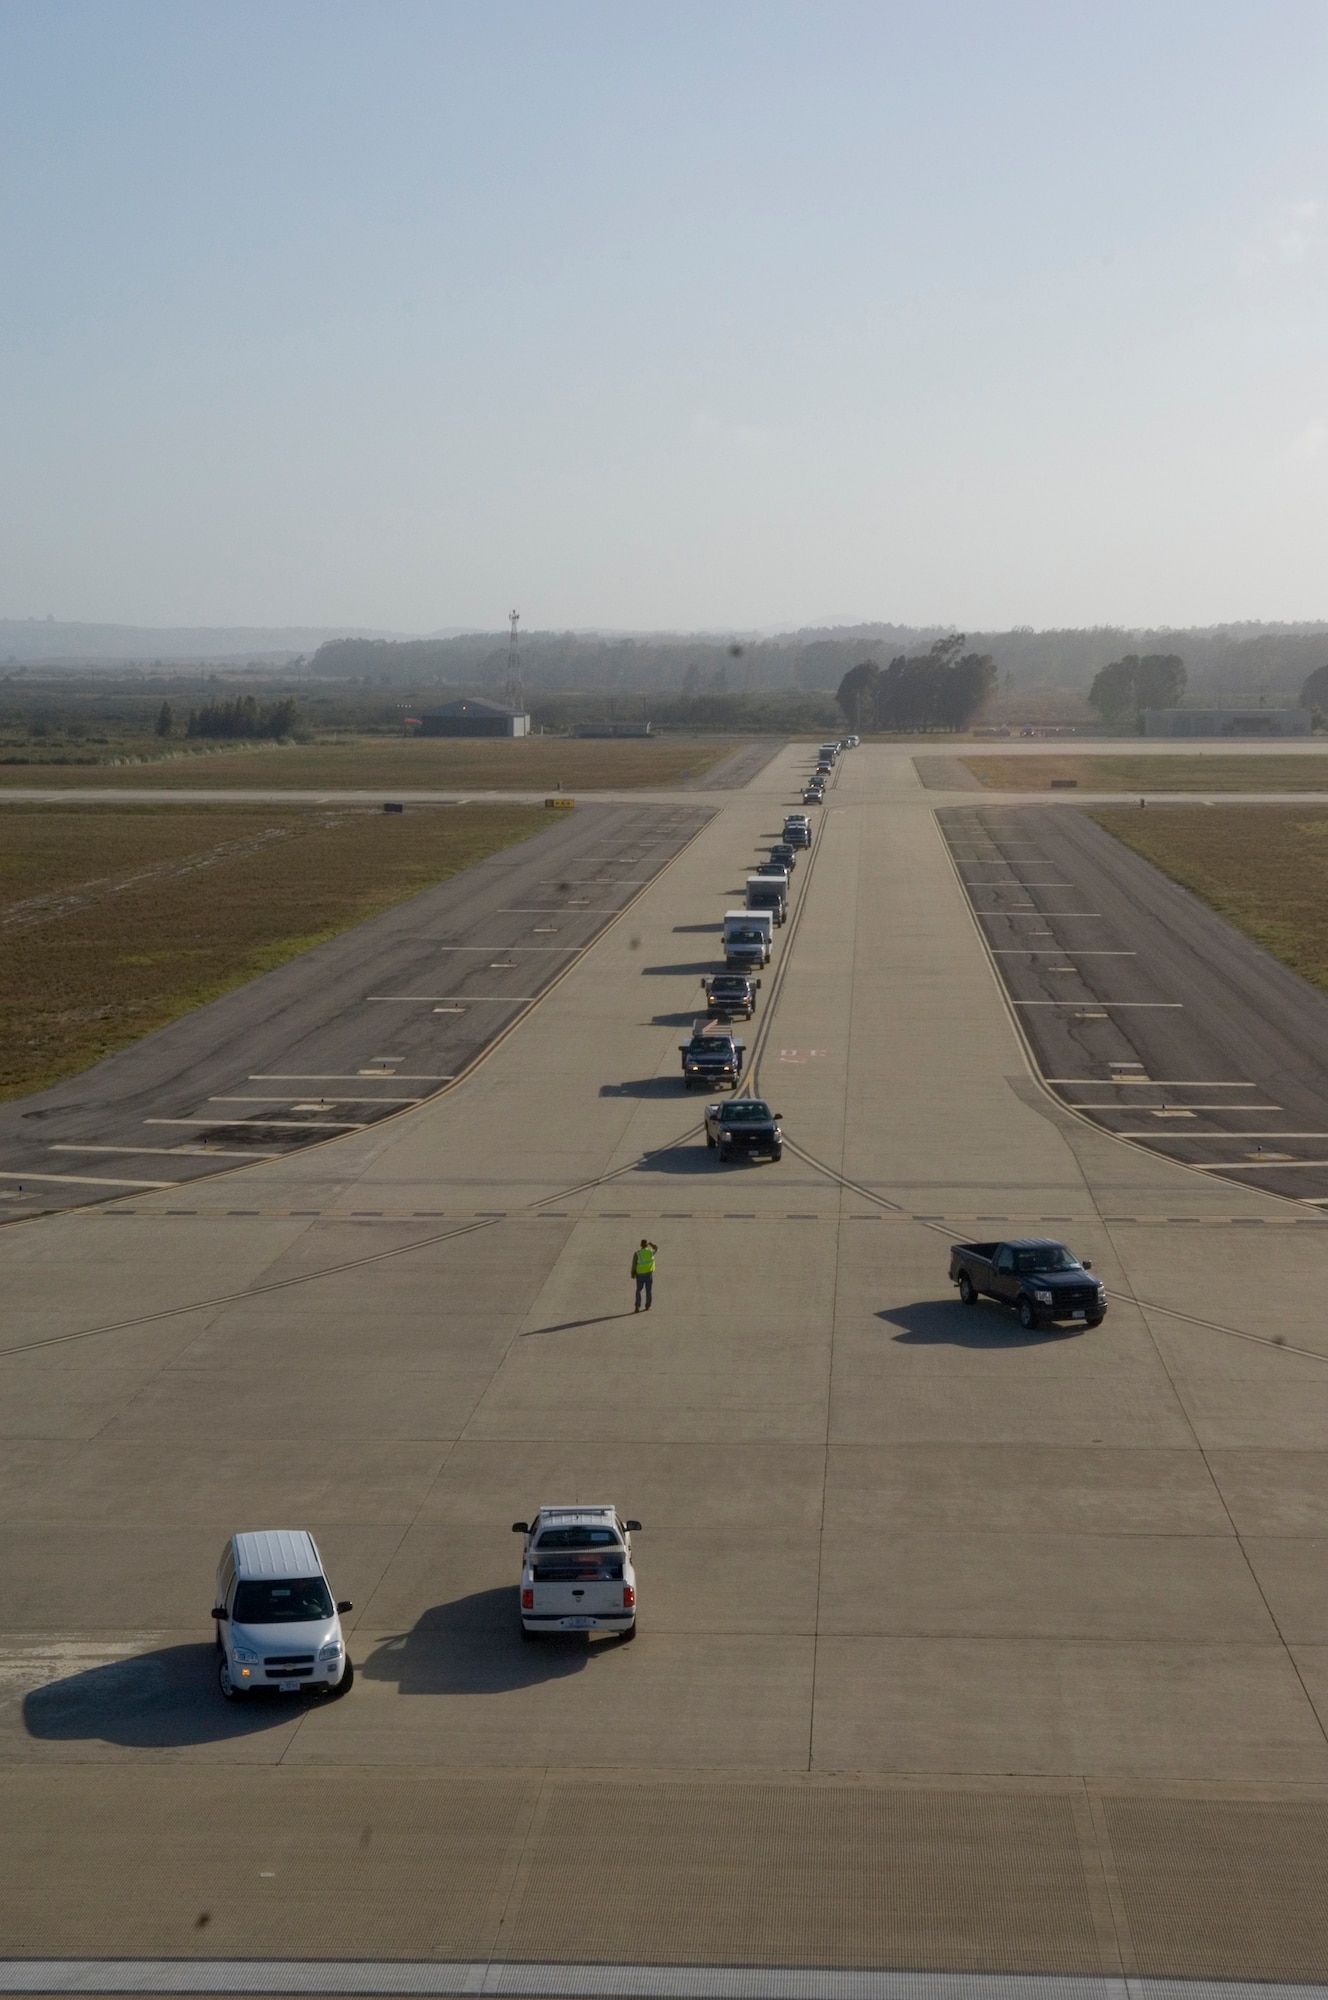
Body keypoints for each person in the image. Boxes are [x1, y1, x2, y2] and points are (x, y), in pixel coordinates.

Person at [631, 1238, 658, 1313]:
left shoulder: (637, 1253)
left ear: (641, 1245)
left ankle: (637, 1305)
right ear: (646, 1245)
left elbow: (634, 1264)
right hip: (648, 1274)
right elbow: (656, 1248)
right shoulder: (650, 1252)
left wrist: (633, 1273)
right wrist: (651, 1244)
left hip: (639, 1274)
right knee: (648, 1290)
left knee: (638, 1290)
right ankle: (648, 1306)